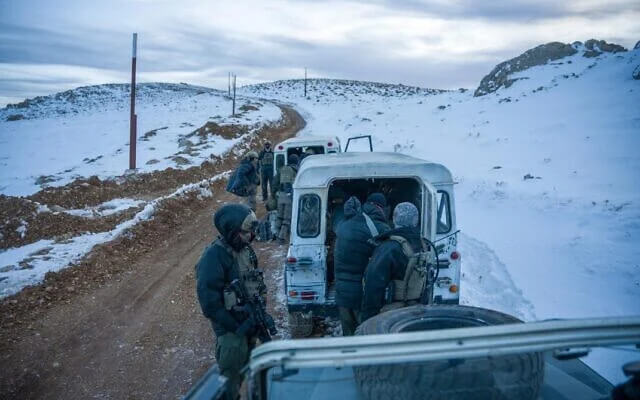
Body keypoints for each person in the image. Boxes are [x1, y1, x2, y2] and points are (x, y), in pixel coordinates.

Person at [195, 203, 270, 400]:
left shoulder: (245, 250)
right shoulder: (214, 257)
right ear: (231, 232)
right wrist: (237, 326)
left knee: (245, 373)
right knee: (229, 386)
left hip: (247, 327)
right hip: (231, 334)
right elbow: (210, 304)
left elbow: (256, 283)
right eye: (245, 233)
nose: (250, 237)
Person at [360, 202, 430, 323]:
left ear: (394, 218)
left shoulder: (389, 247)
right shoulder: (423, 244)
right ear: (416, 220)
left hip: (391, 313)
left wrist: (368, 319)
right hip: (416, 310)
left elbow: (373, 285)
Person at [334, 195, 389, 336]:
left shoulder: (343, 225)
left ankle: (349, 355)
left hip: (341, 291)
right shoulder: (380, 228)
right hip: (363, 294)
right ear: (380, 207)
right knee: (366, 333)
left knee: (349, 334)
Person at [272, 154, 299, 243]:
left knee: (279, 216)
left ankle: (275, 233)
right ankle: (281, 238)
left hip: (281, 195)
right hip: (289, 196)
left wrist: (274, 195)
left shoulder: (282, 169)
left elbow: (275, 182)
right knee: (287, 219)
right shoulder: (297, 169)